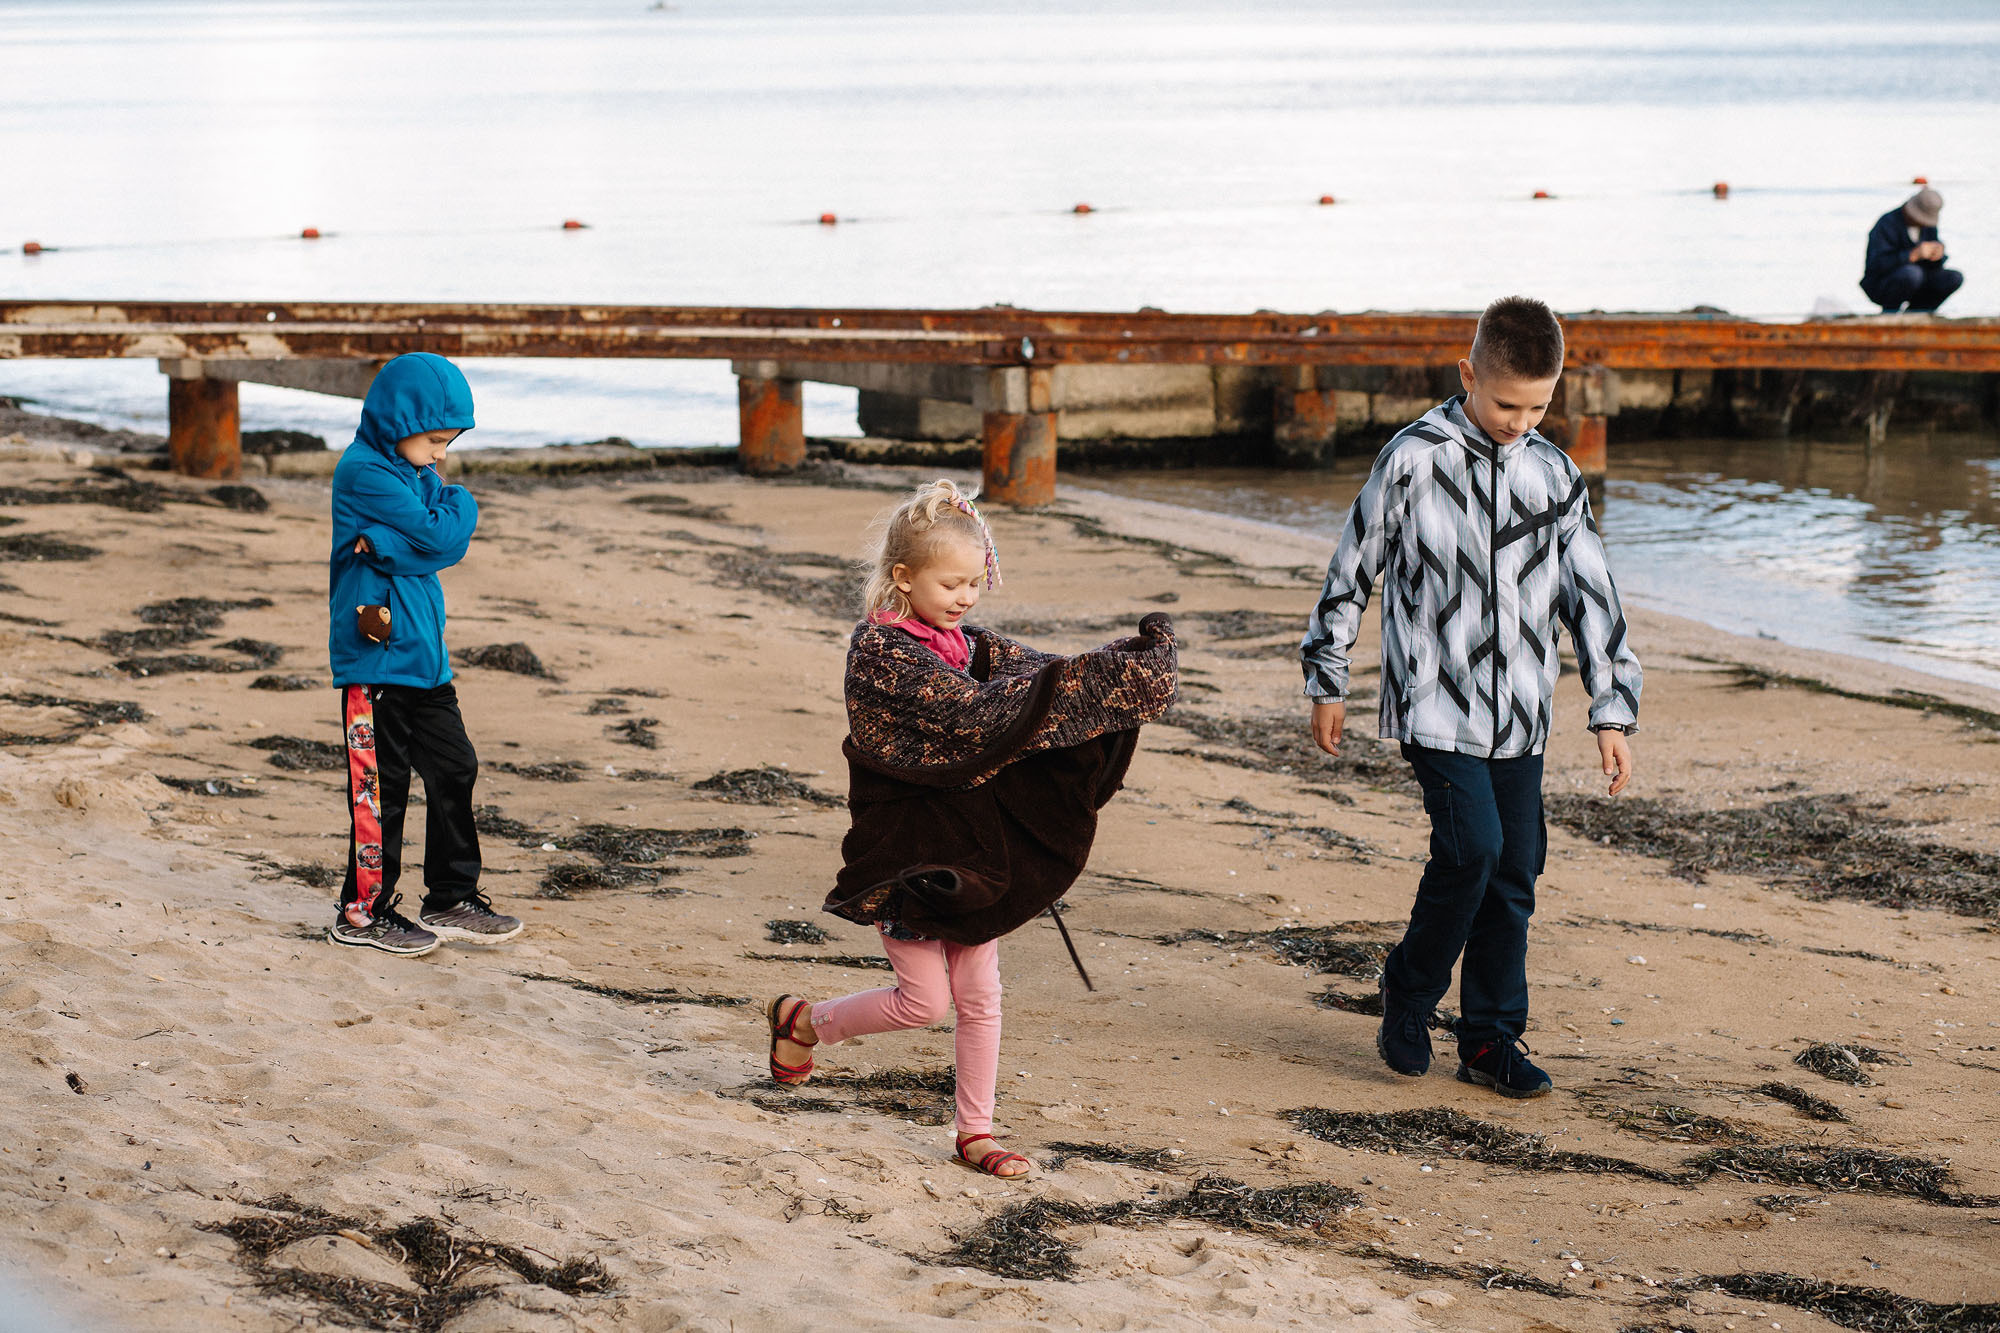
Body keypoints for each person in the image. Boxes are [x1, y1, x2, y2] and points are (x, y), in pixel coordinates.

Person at [765, 479, 1178, 1177]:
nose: (965, 597)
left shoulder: (968, 643)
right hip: (907, 851)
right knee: (924, 1003)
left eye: (976, 583)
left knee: (982, 997)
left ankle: (975, 1132)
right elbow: (974, 714)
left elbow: (1039, 673)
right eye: (951, 584)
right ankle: (803, 1022)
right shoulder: (881, 654)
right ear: (904, 578)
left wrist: (1117, 668)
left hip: (975, 849)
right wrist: (1069, 687)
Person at [1299, 296, 1642, 1099]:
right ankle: (1410, 989)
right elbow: (1353, 565)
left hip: (1521, 713)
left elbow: (1592, 595)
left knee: (1516, 868)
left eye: (1538, 408)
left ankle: (1489, 1038)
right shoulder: (1412, 459)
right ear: (1468, 375)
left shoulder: (1554, 474)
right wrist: (1328, 675)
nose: (1520, 423)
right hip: (1434, 703)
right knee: (1473, 849)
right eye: (1505, 405)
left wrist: (1611, 710)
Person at [324, 353, 522, 956]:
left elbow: (447, 537)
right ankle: (362, 913)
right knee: (380, 788)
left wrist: (387, 545)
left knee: (455, 767)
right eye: (435, 440)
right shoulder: (364, 471)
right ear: (400, 421)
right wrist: (436, 527)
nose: (440, 456)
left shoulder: (416, 472)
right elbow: (439, 535)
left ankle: (449, 898)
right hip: (376, 653)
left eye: (448, 444)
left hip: (425, 657)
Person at [1861, 187, 1963, 313]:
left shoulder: (1927, 227)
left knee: (1953, 277)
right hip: (1884, 284)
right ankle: (1890, 313)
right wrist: (1912, 255)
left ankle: (1919, 312)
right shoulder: (1886, 224)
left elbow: (1936, 267)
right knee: (1912, 274)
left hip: (1920, 281)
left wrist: (1937, 255)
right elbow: (1877, 265)